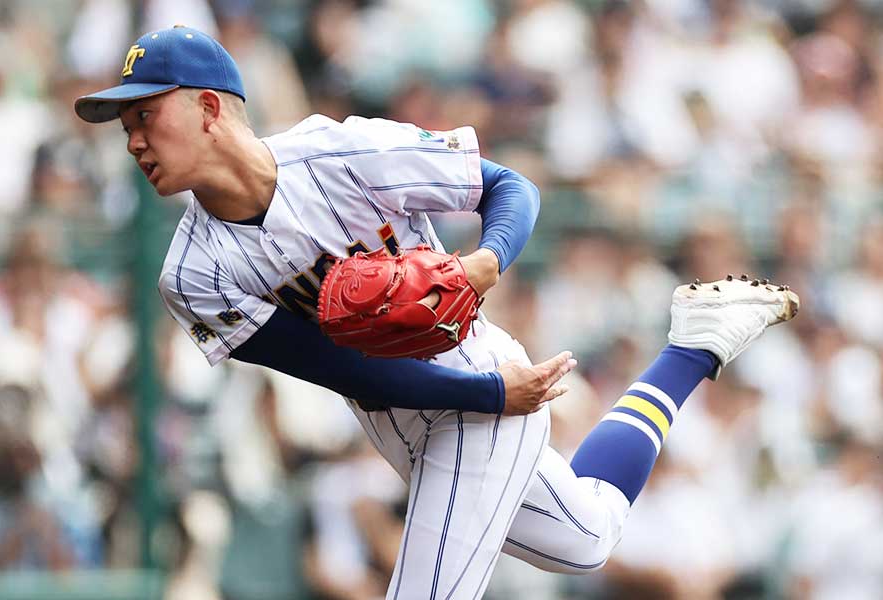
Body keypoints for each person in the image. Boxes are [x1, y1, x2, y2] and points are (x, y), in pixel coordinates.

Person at [74, 26, 799, 599]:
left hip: (476, 387)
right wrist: (492, 394)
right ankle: (693, 348)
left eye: (145, 114)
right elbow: (340, 367)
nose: (132, 139)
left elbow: (510, 188)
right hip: (424, 411)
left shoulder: (342, 152)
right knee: (590, 535)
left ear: (207, 108)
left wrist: (485, 265)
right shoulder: (191, 273)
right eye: (123, 123)